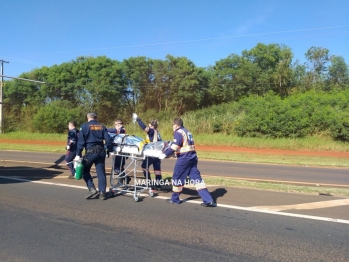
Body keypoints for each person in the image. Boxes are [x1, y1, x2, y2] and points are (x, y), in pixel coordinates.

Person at [159, 118, 216, 207]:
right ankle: (209, 200)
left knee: (177, 177)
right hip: (192, 157)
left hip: (184, 159)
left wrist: (165, 154)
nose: (172, 127)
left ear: (176, 125)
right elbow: (184, 146)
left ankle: (174, 199)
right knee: (197, 179)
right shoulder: (187, 132)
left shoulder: (178, 132)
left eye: (173, 125)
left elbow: (175, 146)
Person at [75, 112, 113, 200]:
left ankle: (91, 188)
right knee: (101, 172)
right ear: (96, 117)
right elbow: (108, 139)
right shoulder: (102, 126)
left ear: (87, 117)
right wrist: (109, 150)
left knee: (84, 170)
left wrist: (78, 154)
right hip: (101, 151)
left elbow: (81, 142)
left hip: (91, 152)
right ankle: (102, 193)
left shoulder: (84, 126)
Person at [133, 113, 162, 191]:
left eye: (150, 126)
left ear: (152, 126)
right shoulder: (157, 132)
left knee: (144, 166)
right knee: (157, 170)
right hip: (157, 154)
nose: (149, 127)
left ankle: (149, 183)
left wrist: (138, 119)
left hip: (152, 153)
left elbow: (144, 128)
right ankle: (158, 185)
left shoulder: (152, 131)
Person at [107, 118, 130, 185]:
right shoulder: (121, 129)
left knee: (116, 167)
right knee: (120, 167)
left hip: (121, 151)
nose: (115, 126)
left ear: (119, 124)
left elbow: (114, 131)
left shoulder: (122, 129)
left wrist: (106, 129)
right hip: (121, 150)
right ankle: (123, 180)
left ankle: (125, 178)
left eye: (116, 124)